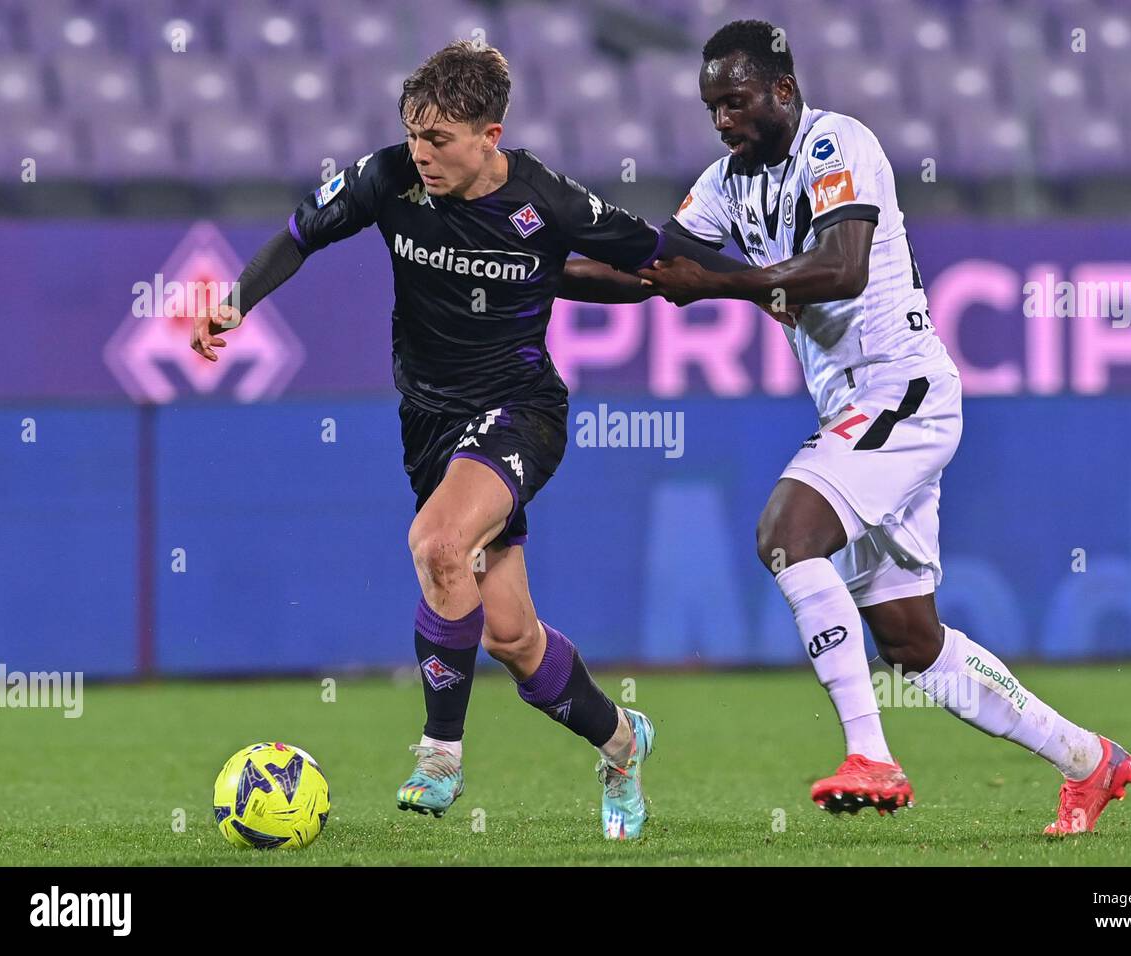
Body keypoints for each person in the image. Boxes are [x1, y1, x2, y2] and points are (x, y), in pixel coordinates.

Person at [560, 20, 1131, 835]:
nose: (721, 120)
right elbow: (655, 268)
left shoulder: (837, 145)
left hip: (901, 389)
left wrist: (722, 283)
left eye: (734, 102)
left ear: (781, 91)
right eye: (710, 107)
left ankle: (870, 753)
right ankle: (1089, 759)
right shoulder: (726, 182)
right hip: (855, 407)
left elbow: (842, 266)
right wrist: (532, 268)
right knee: (912, 640)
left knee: (787, 534)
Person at [192, 40, 741, 840]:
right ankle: (622, 742)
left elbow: (657, 260)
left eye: (439, 138)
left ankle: (439, 752)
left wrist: (766, 290)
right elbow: (300, 234)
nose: (422, 152)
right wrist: (235, 301)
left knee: (439, 544)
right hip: (430, 425)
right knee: (515, 640)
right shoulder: (388, 177)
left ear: (491, 133)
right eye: (413, 133)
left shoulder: (547, 200)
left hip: (521, 409)